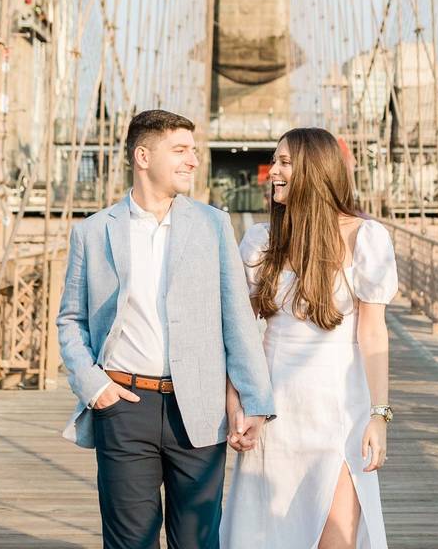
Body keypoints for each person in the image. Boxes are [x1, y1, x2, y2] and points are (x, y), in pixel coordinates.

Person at [57, 109, 275, 549]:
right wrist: (94, 387)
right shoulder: (94, 232)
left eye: (193, 151)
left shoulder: (214, 225)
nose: (193, 161)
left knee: (197, 541)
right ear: (143, 156)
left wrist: (254, 401)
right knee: (130, 543)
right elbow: (71, 320)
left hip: (199, 406)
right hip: (123, 404)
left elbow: (236, 318)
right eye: (180, 150)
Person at [221, 127, 398, 549]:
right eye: (275, 161)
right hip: (274, 408)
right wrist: (237, 406)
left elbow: (373, 333)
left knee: (336, 537)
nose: (273, 173)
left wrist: (379, 415)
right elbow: (240, 335)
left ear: (316, 171)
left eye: (285, 163)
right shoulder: (261, 241)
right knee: (266, 536)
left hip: (340, 409)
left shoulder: (366, 238)